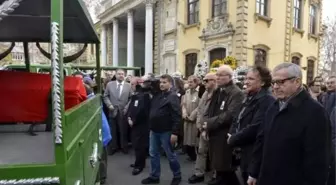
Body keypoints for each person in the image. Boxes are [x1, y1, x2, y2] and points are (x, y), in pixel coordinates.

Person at [248, 63, 331, 185]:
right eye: (273, 83)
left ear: (297, 82)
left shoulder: (315, 112)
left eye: (281, 82)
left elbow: (318, 161)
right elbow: (261, 141)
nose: (275, 87)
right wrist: (254, 172)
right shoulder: (273, 107)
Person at [227, 66, 275, 184]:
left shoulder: (267, 100)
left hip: (254, 153)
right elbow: (237, 119)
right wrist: (232, 133)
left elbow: (255, 127)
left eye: (251, 79)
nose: (246, 82)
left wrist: (233, 138)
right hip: (243, 151)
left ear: (263, 82)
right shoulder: (249, 97)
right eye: (246, 78)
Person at [203, 65, 245, 185]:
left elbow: (230, 114)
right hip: (215, 133)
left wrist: (209, 123)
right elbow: (211, 110)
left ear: (230, 77)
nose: (218, 78)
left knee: (226, 168)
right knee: (220, 168)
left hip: (224, 135)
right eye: (217, 75)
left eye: (221, 75)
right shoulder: (219, 91)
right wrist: (207, 126)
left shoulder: (236, 93)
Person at [141, 74, 182, 185]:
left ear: (170, 83)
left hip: (166, 131)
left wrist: (175, 132)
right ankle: (154, 176)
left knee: (170, 155)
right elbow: (152, 83)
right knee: (153, 154)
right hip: (154, 130)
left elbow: (177, 115)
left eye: (165, 82)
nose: (162, 84)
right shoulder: (158, 94)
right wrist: (154, 79)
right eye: (161, 82)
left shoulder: (172, 96)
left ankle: (177, 175)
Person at [188, 73, 217, 184]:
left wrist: (208, 126)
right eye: (204, 80)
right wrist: (200, 125)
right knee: (201, 151)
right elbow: (200, 109)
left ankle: (216, 175)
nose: (204, 83)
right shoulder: (205, 93)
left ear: (214, 81)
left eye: (206, 80)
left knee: (214, 153)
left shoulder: (219, 94)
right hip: (203, 128)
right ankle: (199, 173)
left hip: (213, 128)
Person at [103, 69, 132, 154]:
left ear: (125, 75)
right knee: (113, 130)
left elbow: (131, 98)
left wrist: (127, 107)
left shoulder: (128, 86)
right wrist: (109, 105)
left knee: (123, 130)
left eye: (122, 74)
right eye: (119, 74)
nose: (121, 75)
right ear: (115, 75)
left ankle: (124, 147)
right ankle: (113, 147)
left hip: (123, 111)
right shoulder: (109, 85)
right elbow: (105, 96)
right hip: (112, 110)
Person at [127, 76, 151, 176]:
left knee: (140, 145)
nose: (131, 86)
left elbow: (142, 112)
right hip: (135, 124)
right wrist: (129, 117)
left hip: (141, 125)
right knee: (137, 145)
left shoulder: (144, 96)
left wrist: (134, 121)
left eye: (132, 84)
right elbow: (131, 107)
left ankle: (139, 166)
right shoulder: (135, 95)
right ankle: (139, 162)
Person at [182, 75, 200, 161]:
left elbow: (200, 106)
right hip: (187, 119)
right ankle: (190, 154)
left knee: (194, 138)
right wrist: (184, 113)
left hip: (194, 120)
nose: (189, 84)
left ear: (196, 83)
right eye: (188, 82)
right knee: (187, 137)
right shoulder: (187, 92)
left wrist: (192, 116)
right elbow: (184, 104)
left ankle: (196, 155)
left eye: (191, 82)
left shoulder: (200, 92)